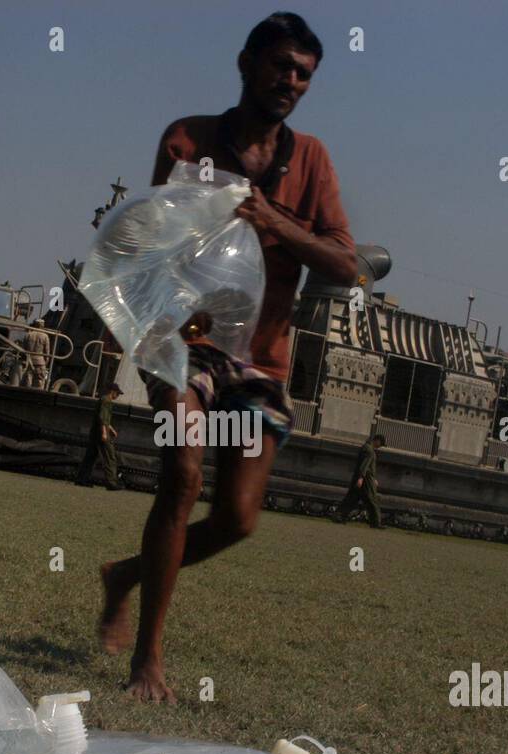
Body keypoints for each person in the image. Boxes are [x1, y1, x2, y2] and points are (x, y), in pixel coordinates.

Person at [96, 13, 357, 702]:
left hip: (262, 361)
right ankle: (147, 660)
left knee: (239, 518)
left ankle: (127, 573)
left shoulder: (313, 162)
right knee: (182, 474)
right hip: (186, 341)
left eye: (304, 73)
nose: (290, 82)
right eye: (280, 66)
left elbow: (346, 263)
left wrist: (276, 222)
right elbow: (149, 239)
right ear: (246, 63)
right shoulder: (188, 140)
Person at [75, 383, 123, 489]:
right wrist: (105, 433)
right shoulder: (107, 401)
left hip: (95, 433)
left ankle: (82, 479)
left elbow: (103, 418)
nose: (118, 396)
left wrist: (111, 429)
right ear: (112, 391)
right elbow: (102, 418)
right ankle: (111, 483)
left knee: (90, 457)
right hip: (101, 433)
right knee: (110, 457)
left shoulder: (103, 400)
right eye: (118, 393)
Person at [333, 434, 385, 528]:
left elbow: (364, 466)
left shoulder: (366, 448)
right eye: (381, 444)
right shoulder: (370, 451)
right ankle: (376, 522)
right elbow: (365, 466)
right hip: (366, 479)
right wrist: (362, 477)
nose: (380, 446)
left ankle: (339, 516)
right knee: (372, 500)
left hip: (363, 477)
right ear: (377, 440)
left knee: (352, 498)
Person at [24, 319, 50, 388]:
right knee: (40, 381)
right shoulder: (45, 336)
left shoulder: (28, 334)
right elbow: (47, 352)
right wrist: (46, 362)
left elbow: (24, 348)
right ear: (42, 325)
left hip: (29, 360)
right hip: (40, 361)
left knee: (28, 380)